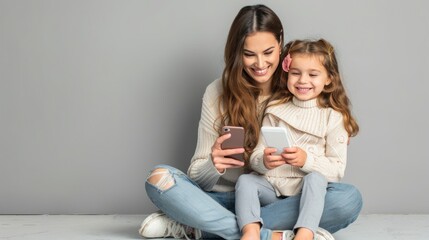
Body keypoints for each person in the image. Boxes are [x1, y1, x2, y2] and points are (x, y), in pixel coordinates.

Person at [139, 4, 362, 240]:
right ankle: (272, 236)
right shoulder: (217, 93)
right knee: (158, 178)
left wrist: (340, 126)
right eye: (249, 54)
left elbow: (329, 94)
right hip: (226, 197)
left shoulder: (296, 85)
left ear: (280, 46)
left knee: (347, 199)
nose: (260, 64)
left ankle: (199, 227)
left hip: (285, 198)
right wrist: (214, 164)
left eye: (268, 52)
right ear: (237, 52)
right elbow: (196, 178)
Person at [235, 38, 359, 240]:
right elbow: (256, 155)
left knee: (317, 179)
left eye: (313, 74)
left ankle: (305, 233)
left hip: (306, 194)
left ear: (329, 78)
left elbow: (337, 170)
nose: (302, 80)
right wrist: (263, 161)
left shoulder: (334, 118)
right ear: (286, 75)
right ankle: (250, 232)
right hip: (272, 189)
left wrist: (306, 161)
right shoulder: (275, 110)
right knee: (246, 181)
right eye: (295, 73)